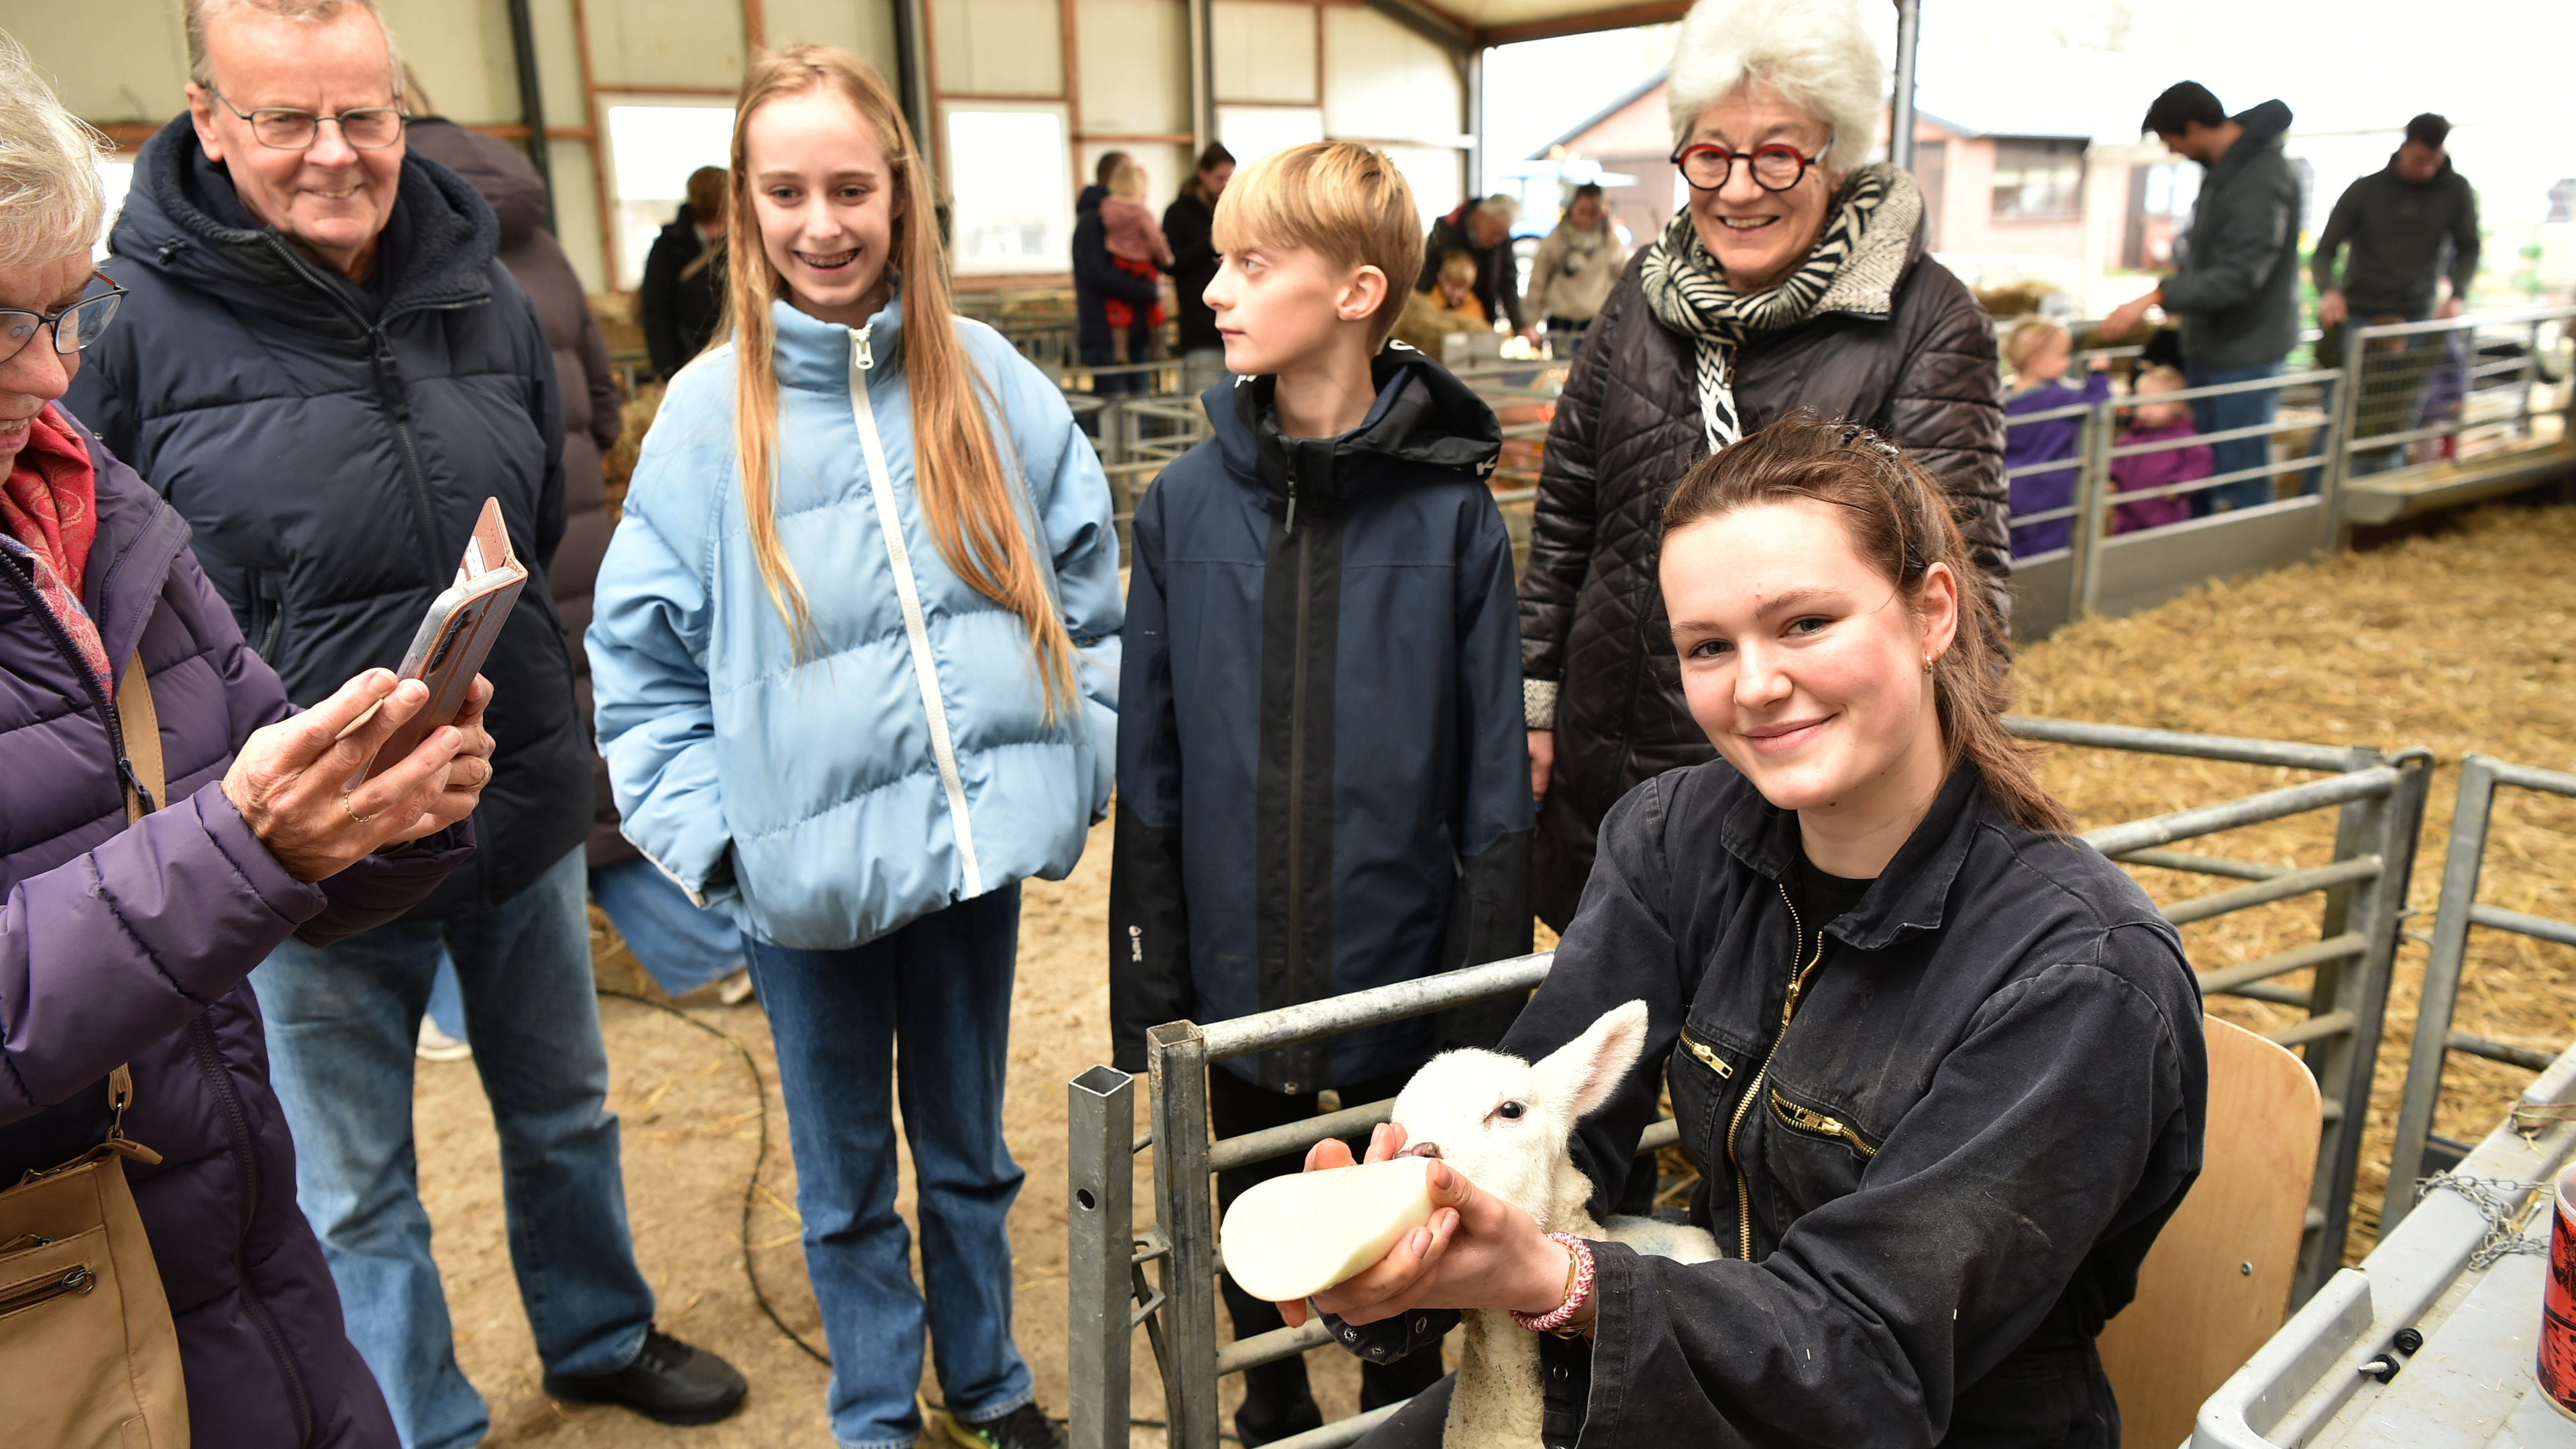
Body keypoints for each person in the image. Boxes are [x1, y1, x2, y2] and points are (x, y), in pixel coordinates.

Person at [62, 1, 745, 1440]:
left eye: (362, 115)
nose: (333, 154)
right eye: (284, 120)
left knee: (562, 1105)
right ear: (207, 118)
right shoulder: (124, 322)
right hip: (302, 839)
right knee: (354, 1173)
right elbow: (95, 600)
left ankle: (600, 1332)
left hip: (511, 794)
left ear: (399, 106)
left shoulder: (478, 286)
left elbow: (548, 512)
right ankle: (421, 1413)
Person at [1283, 414, 2207, 1449]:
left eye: (1806, 623)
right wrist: (1410, 1239)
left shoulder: (2079, 977)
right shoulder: (1678, 839)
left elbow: (1874, 1350)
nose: (1757, 687)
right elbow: (1542, 1118)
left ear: (1934, 610)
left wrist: (1559, 1279)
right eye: (1709, 647)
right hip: (1690, 1367)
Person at [587, 44, 1119, 1449]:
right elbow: (637, 671)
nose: (821, 224)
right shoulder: (708, 421)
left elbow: (1090, 581)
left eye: (849, 187)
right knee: (839, 1184)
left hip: (968, 862)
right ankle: (874, 1413)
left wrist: (1078, 752)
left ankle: (989, 1384)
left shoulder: (991, 384)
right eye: (785, 191)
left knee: (968, 1156)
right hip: (802, 890)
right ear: (744, 209)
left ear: (902, 193)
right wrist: (717, 841)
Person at [0, 34, 492, 1444]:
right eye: (1, 326)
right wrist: (243, 848)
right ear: (212, 124)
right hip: (57, 1327)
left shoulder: (96, 511)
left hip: (233, 1262)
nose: (48, 376)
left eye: (67, 309)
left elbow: (244, 779)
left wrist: (387, 806)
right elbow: (221, 849)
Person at [1108, 141, 1531, 1446]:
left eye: (1251, 264)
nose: (1215, 291)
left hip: (1391, 976)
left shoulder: (1456, 522)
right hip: (1231, 985)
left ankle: (1400, 1405)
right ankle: (1270, 1401)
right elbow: (1153, 768)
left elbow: (1492, 786)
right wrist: (1154, 986)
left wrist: (1478, 1007)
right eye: (1219, 262)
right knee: (1243, 1220)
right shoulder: (1181, 510)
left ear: (1356, 292)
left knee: (1398, 1247)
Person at [1516, 0, 2010, 930]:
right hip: (1606, 760)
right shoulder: (1640, 297)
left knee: (1757, 1046)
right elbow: (1568, 509)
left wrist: (1942, 813)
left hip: (1793, 779)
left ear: (1838, 155)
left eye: (1778, 154)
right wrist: (1535, 705)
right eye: (1710, 155)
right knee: (1604, 1038)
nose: (1738, 189)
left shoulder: (1926, 322)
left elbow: (1962, 573)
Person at [406, 87, 752, 1020]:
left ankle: (442, 1005)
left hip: (444, 556)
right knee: (579, 751)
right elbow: (604, 406)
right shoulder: (541, 250)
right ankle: (710, 949)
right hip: (569, 531)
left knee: (450, 758)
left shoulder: (374, 257)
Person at [2100, 83, 2300, 514]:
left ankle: (2243, 559)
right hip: (2214, 342)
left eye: (2172, 141)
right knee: (2207, 464)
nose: (2174, 152)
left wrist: (2160, 294)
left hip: (2246, 348)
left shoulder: (2259, 177)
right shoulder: (2226, 170)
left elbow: (2242, 276)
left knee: (2237, 466)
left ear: (2193, 128)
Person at [2001, 317, 2112, 555]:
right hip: (2048, 493)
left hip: (2009, 488)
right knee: (2048, 554)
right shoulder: (2057, 399)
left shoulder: (2000, 399)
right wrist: (2098, 375)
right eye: (2063, 355)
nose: (2068, 361)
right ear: (2037, 361)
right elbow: (2098, 405)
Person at [1075, 149, 1159, 398]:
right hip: (1103, 334)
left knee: (1142, 408)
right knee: (1116, 412)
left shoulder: (1132, 219)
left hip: (1135, 333)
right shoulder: (1092, 222)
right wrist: (1149, 291)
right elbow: (1100, 275)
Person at [639, 164, 729, 380]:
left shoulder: (742, 242)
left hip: (735, 359)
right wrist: (667, 373)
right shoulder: (670, 247)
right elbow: (656, 313)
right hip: (690, 364)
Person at [1164, 142, 1236, 397]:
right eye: (1219, 178)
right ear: (1202, 173)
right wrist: (1208, 243)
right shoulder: (1177, 214)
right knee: (1202, 406)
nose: (1225, 184)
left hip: (1236, 326)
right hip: (1199, 328)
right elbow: (1171, 263)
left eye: (1230, 178)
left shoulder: (1230, 212)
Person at [1523, 183, 1627, 357]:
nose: (1586, 219)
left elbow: (1623, 278)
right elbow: (1538, 282)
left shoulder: (1609, 242)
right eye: (1582, 212)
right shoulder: (1555, 240)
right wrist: (1531, 323)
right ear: (1571, 209)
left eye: (1592, 214)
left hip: (1596, 322)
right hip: (1561, 324)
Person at [2108, 365, 2208, 533]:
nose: (2147, 410)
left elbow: (2199, 464)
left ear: (2177, 405)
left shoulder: (2184, 438)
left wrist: (2179, 486)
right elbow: (2117, 460)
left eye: (2157, 402)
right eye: (2142, 402)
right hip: (2128, 515)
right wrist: (2112, 478)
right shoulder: (2133, 436)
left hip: (2165, 514)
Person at [1417, 195, 1530, 342]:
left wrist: (1521, 326)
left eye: (1502, 237)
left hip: (1480, 323)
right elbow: (1425, 278)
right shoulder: (1447, 230)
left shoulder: (1501, 239)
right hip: (1442, 325)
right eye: (1495, 233)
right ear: (1480, 217)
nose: (1497, 241)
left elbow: (1508, 283)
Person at [1099, 157, 1172, 366]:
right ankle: (1159, 348)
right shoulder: (1141, 212)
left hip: (1119, 262)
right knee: (1154, 305)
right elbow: (1155, 238)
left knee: (1118, 308)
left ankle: (1120, 351)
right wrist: (1166, 259)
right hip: (1142, 264)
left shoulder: (1106, 208)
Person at [1389, 248, 1489, 358]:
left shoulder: (1474, 307)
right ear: (1442, 278)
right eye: (1453, 287)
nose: (1458, 293)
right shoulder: (1428, 304)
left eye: (1463, 289)